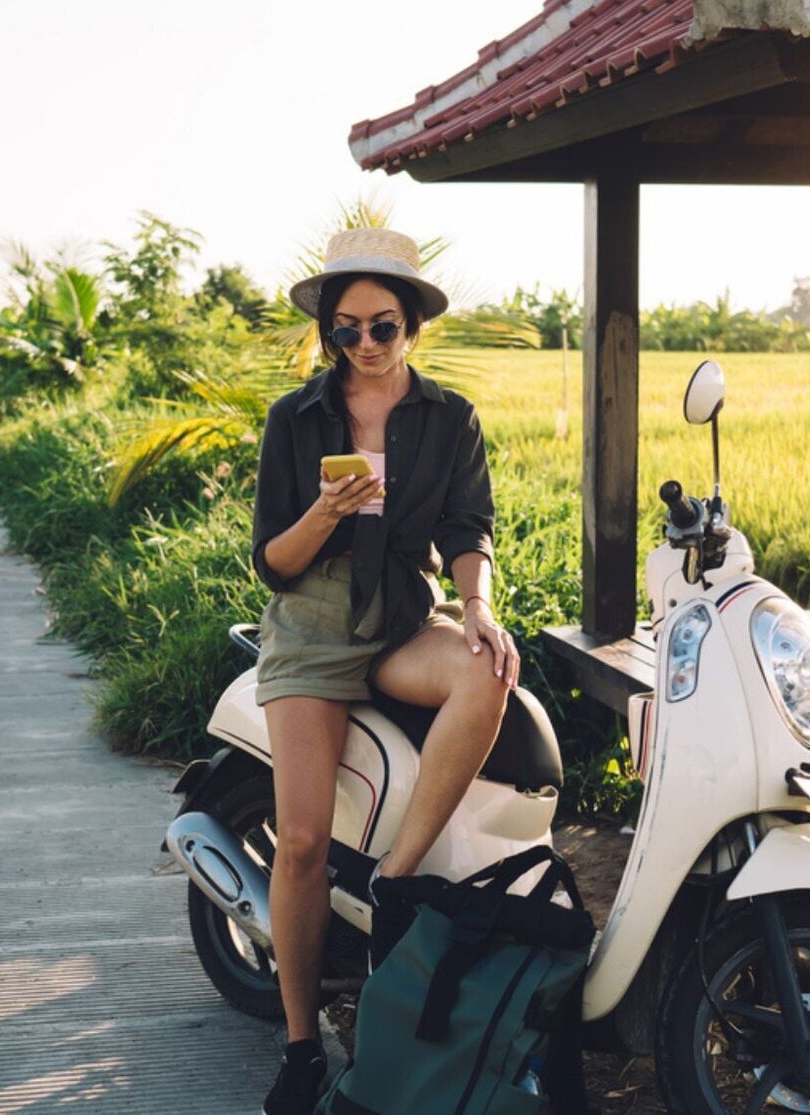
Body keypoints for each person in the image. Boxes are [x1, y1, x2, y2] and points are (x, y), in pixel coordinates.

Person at [250, 228, 518, 1115]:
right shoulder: (295, 419)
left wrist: (477, 605)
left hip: (403, 615)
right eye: (346, 328)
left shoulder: (449, 416)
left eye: (382, 326)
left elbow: (469, 528)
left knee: (488, 670)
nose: (363, 343)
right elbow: (273, 562)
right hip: (313, 626)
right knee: (300, 840)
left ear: (412, 326)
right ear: (328, 330)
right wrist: (325, 513)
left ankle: (393, 880)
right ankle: (301, 1045)